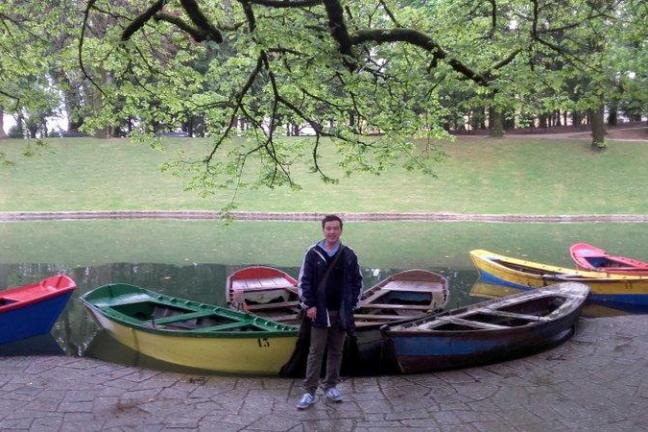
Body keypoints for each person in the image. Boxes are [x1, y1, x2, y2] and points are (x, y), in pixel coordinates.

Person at [295, 214, 363, 410]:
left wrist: (351, 307)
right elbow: (304, 281)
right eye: (328, 228)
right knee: (315, 351)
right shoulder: (313, 253)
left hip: (341, 312)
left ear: (341, 230)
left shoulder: (349, 254)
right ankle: (309, 391)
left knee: (336, 350)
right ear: (323, 230)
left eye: (336, 228)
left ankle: (331, 386)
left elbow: (358, 281)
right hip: (319, 312)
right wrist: (309, 305)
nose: (332, 232)